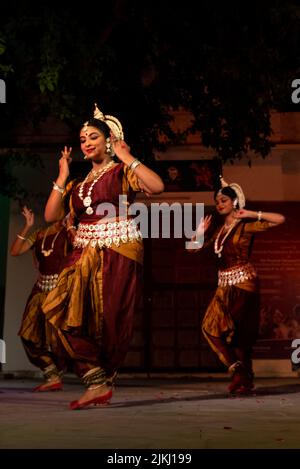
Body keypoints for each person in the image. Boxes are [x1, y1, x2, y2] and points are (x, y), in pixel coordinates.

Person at [42, 103, 164, 409]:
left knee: (108, 318)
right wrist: (62, 173)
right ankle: (96, 377)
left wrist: (126, 156)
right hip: (83, 251)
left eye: (93, 136)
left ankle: (100, 383)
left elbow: (157, 186)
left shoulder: (122, 172)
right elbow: (51, 215)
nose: (86, 143)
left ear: (109, 140)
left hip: (117, 247)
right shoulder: (77, 184)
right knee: (58, 307)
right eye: (83, 139)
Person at [189, 175, 285, 394]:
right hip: (224, 286)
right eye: (217, 201)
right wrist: (199, 234)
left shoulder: (245, 227)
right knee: (210, 327)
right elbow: (192, 249)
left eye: (223, 200)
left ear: (234, 202)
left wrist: (252, 214)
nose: (219, 204)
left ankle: (244, 380)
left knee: (238, 335)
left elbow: (279, 219)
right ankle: (240, 372)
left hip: (244, 284)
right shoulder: (219, 231)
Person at [10, 205, 73, 391]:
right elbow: (15, 251)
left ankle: (95, 375)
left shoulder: (69, 233)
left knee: (59, 338)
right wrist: (27, 226)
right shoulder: (39, 234)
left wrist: (70, 226)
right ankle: (52, 375)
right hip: (40, 290)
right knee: (28, 335)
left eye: (56, 207)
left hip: (60, 291)